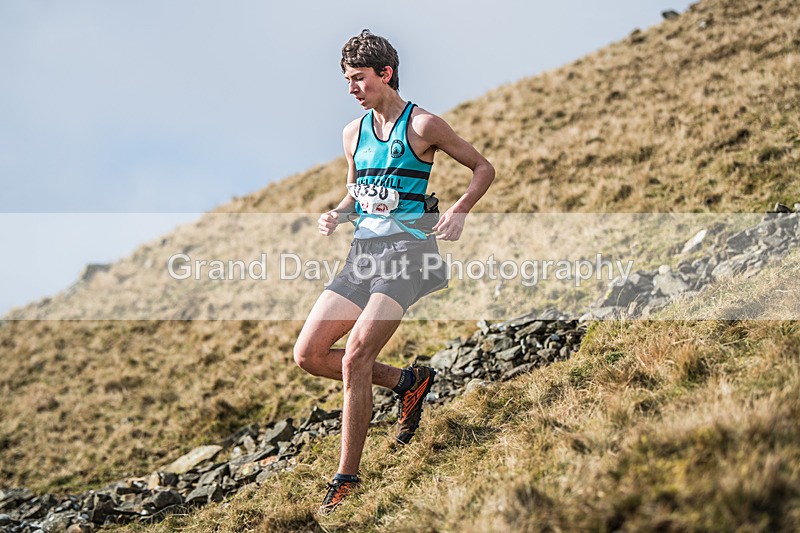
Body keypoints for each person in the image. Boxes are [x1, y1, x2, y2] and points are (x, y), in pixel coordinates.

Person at [292, 29, 495, 515]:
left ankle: (345, 480)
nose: (351, 89)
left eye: (358, 79)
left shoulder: (423, 125)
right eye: (347, 80)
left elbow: (483, 168)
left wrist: (461, 209)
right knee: (309, 353)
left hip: (409, 250)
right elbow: (357, 188)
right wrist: (337, 213)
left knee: (355, 357)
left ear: (385, 74)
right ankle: (409, 383)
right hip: (362, 252)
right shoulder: (352, 133)